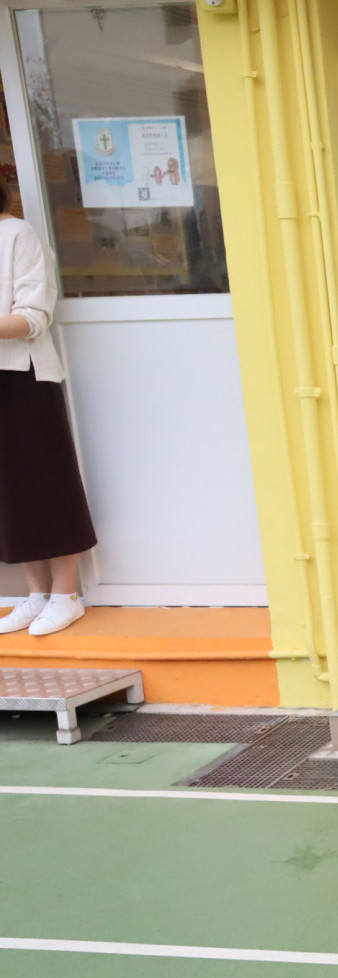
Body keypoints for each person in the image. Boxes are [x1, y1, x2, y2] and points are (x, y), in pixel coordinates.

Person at [0, 177, 97, 637]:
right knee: (8, 490)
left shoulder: (17, 234)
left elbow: (34, 316)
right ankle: (37, 594)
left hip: (24, 376)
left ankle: (66, 595)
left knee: (47, 483)